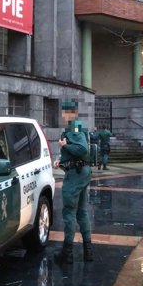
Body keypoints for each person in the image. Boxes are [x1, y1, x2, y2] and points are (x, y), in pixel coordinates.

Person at [53, 100, 93, 264]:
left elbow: (82, 148)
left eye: (64, 112)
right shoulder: (76, 126)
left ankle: (67, 253)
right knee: (82, 212)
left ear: (69, 113)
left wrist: (65, 145)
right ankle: (88, 252)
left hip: (75, 176)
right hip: (81, 173)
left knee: (69, 213)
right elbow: (77, 155)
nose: (62, 115)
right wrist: (61, 162)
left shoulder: (73, 127)